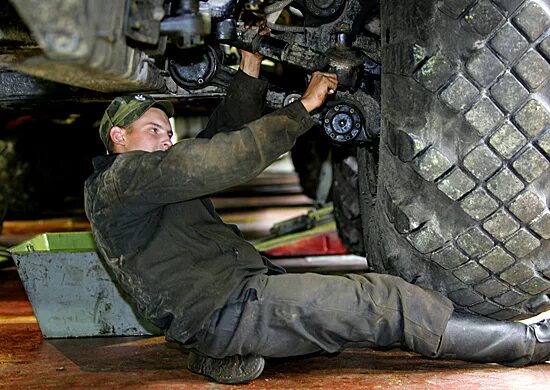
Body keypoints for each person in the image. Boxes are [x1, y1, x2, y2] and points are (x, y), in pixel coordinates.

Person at [84, 48, 550, 384]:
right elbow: (215, 159)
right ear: (119, 138)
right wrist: (302, 108)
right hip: (232, 309)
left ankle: (214, 350)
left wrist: (249, 70)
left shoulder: (137, 182)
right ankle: (532, 343)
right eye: (153, 130)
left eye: (168, 131)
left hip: (224, 307)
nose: (167, 139)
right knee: (381, 303)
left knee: (336, 314)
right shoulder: (122, 180)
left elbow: (216, 139)